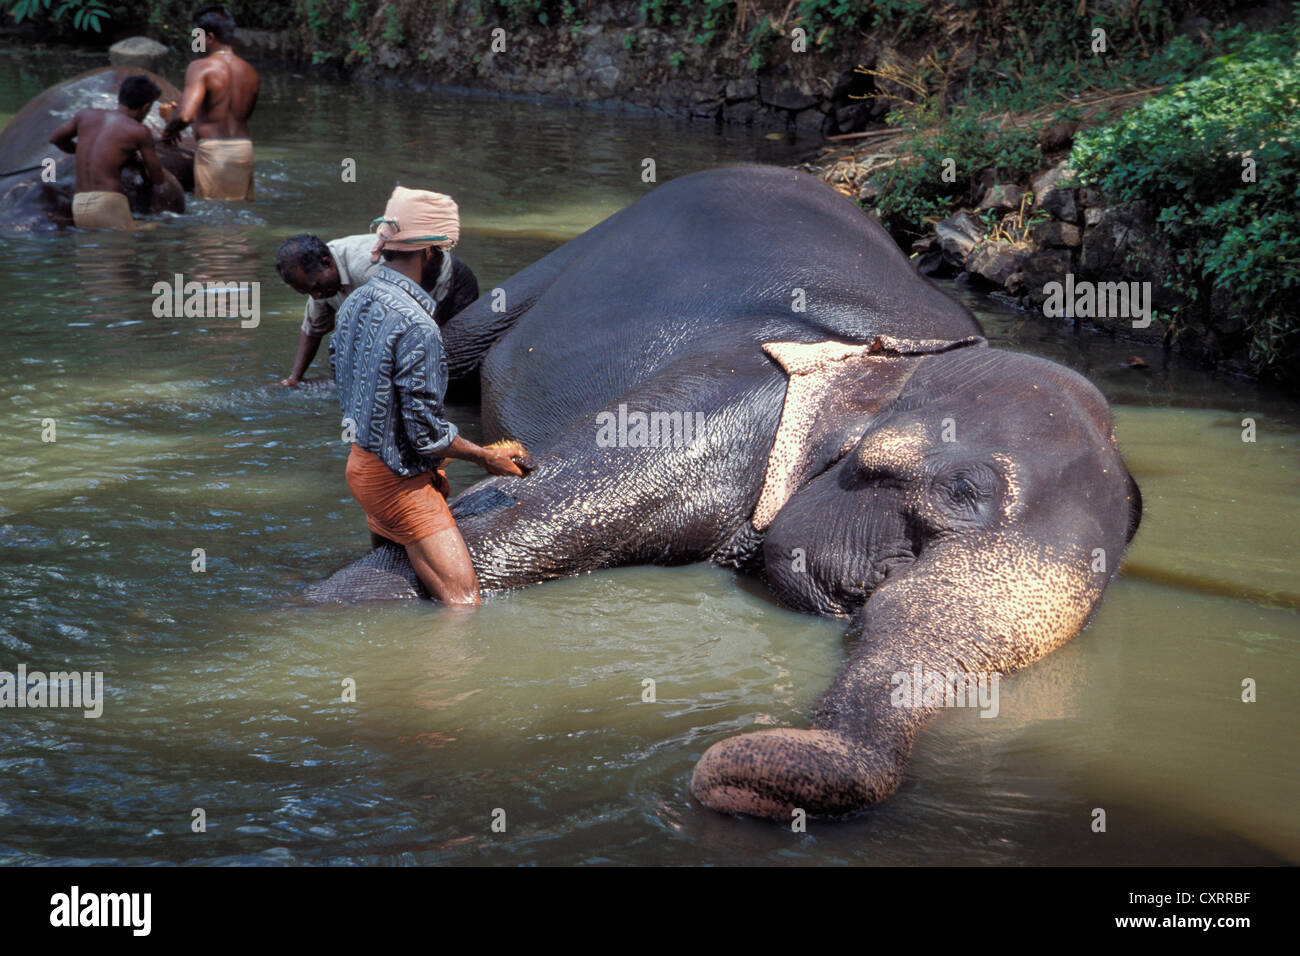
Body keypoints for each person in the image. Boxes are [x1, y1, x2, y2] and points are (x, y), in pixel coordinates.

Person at [332, 186, 527, 606]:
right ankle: (433, 673)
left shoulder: (354, 303)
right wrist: (485, 456)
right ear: (431, 254)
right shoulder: (418, 325)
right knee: (463, 603)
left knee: (399, 592)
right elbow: (425, 434)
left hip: (360, 466)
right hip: (398, 482)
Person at [274, 232, 479, 387]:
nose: (316, 295)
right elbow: (313, 329)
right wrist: (294, 378)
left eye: (316, 288)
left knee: (443, 371)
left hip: (448, 284)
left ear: (327, 263)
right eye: (309, 292)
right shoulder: (319, 282)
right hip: (405, 295)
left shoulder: (368, 268)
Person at [160, 4, 258, 200]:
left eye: (198, 36)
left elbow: (185, 115)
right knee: (239, 220)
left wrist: (169, 129)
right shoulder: (250, 71)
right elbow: (229, 114)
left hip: (215, 152)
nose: (196, 41)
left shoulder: (200, 67)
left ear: (210, 37)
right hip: (244, 148)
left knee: (212, 224)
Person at [48, 75, 167, 231]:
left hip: (79, 204)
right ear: (145, 107)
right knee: (162, 227)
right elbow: (157, 178)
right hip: (108, 203)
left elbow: (56, 138)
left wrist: (85, 152)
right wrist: (137, 160)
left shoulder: (85, 115)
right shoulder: (139, 131)